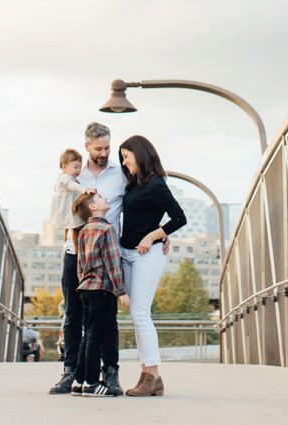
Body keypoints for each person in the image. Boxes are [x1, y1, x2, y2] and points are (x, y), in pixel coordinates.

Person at [49, 121, 127, 396]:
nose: (104, 152)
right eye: (98, 148)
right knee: (72, 314)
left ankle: (110, 372)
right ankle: (71, 371)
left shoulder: (120, 174)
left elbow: (138, 206)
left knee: (107, 318)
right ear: (87, 146)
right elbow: (59, 207)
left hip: (106, 255)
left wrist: (159, 234)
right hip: (75, 253)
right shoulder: (73, 175)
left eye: (107, 147)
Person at [117, 134, 185, 397]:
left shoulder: (157, 184)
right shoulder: (132, 185)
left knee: (141, 312)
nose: (124, 162)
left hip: (148, 253)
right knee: (136, 314)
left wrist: (154, 235)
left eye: (126, 156)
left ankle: (153, 374)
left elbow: (179, 217)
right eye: (122, 158)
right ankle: (147, 375)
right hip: (127, 253)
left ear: (140, 154)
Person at [70, 191, 126, 396]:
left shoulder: (84, 230)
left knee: (88, 335)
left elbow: (80, 263)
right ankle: (92, 382)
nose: (106, 199)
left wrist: (82, 282)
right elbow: (112, 262)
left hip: (85, 288)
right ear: (93, 207)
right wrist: (120, 291)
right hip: (102, 289)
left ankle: (79, 380)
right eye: (102, 198)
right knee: (96, 336)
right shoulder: (107, 229)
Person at [48, 147, 93, 249]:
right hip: (67, 208)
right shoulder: (66, 178)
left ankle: (67, 242)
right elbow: (72, 185)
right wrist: (84, 190)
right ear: (64, 167)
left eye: (80, 167)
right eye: (75, 167)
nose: (78, 170)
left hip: (66, 208)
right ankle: (77, 249)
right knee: (76, 227)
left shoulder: (65, 178)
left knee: (70, 226)